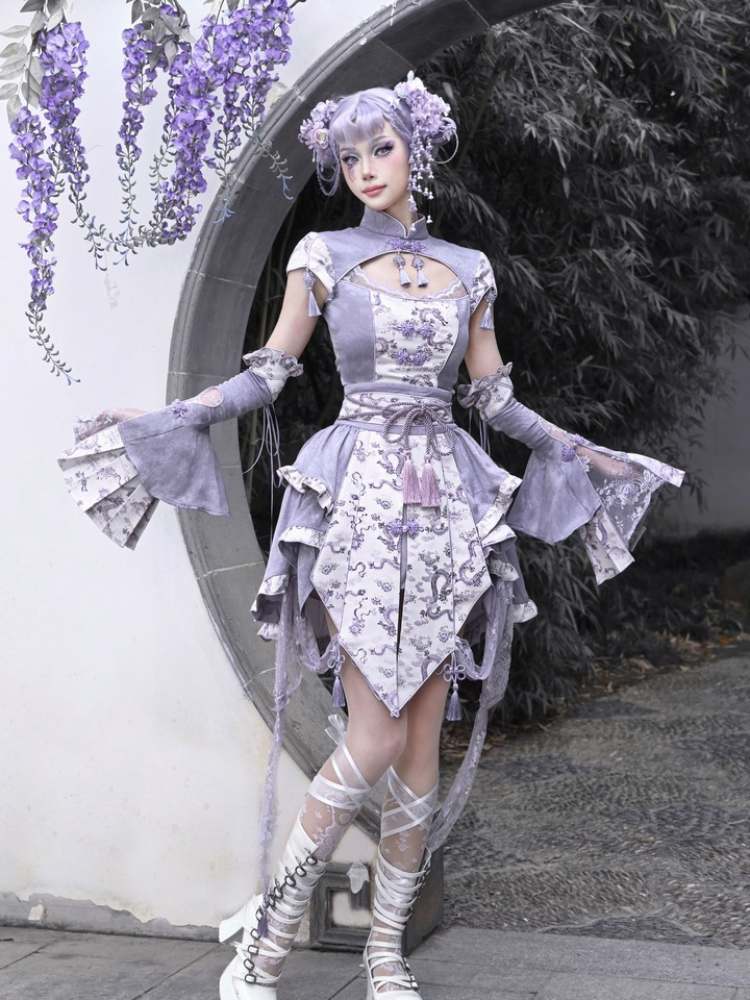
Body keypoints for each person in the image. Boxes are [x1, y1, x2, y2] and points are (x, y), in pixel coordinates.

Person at [57, 72, 685, 1000]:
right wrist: (174, 416)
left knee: (421, 739)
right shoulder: (321, 255)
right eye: (348, 157)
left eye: (380, 149)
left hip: (444, 505)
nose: (364, 169)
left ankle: (385, 954)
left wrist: (581, 452)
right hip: (357, 498)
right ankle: (264, 943)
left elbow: (493, 399)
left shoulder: (470, 268)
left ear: (415, 152)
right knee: (377, 730)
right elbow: (269, 374)